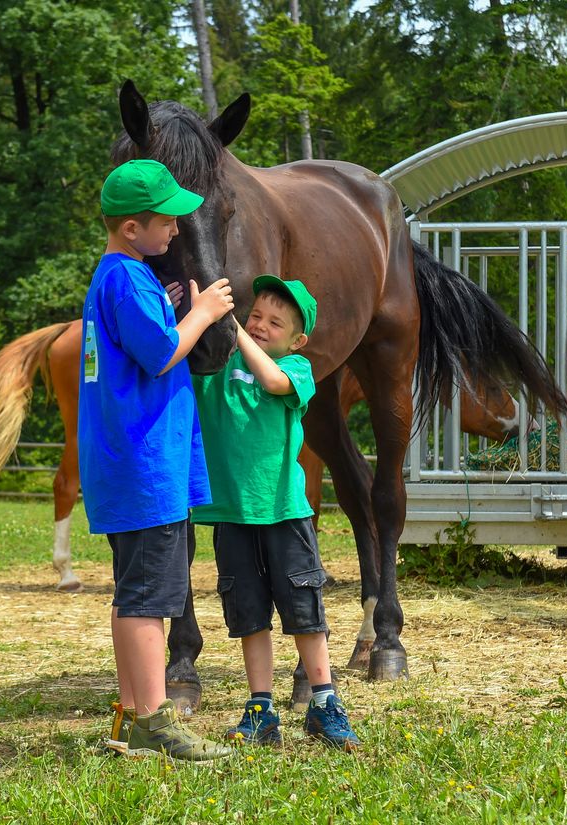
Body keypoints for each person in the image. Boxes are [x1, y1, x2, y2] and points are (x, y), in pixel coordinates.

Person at [78, 158, 235, 761]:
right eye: (166, 220)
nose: (176, 228)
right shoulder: (128, 279)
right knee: (149, 600)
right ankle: (153, 722)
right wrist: (201, 313)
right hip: (147, 469)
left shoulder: (120, 276)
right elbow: (162, 355)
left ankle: (129, 717)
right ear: (130, 230)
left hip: (126, 465)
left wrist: (169, 308)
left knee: (133, 596)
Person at [191, 275, 361, 751]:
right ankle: (260, 707)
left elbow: (271, 379)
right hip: (232, 514)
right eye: (255, 316)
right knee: (249, 615)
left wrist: (231, 325)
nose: (261, 326)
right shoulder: (218, 367)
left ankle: (324, 701)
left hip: (285, 512)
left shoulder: (298, 369)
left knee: (303, 609)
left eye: (274, 322)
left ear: (297, 339)